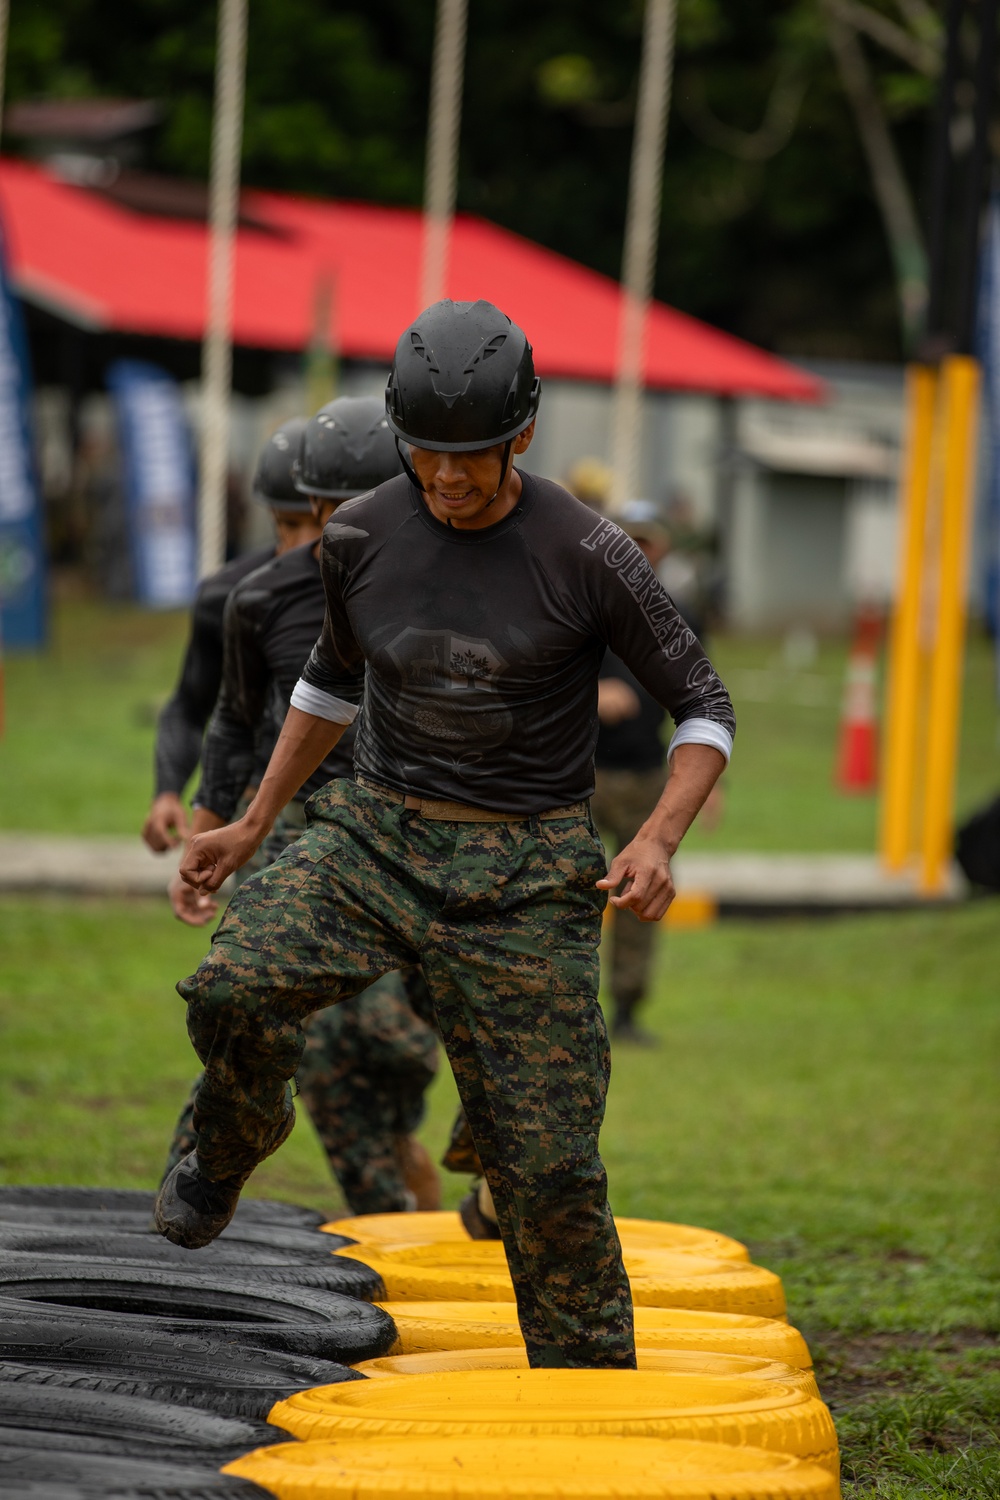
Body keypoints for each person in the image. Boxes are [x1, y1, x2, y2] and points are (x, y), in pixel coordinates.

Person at [156, 299, 734, 1371]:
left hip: (527, 872)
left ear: (521, 432)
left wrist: (656, 837)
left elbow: (704, 705)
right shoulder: (364, 532)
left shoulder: (586, 550)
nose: (450, 478)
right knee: (236, 985)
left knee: (548, 1168)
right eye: (428, 454)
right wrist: (253, 822)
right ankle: (231, 1135)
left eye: (472, 456)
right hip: (374, 835)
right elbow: (331, 680)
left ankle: (588, 1399)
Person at [163, 396, 440, 1214]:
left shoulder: (447, 583)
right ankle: (212, 1160)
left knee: (419, 1034)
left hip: (436, 834)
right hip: (312, 834)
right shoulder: (259, 599)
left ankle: (421, 1146)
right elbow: (232, 720)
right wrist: (211, 831)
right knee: (260, 1007)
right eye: (327, 514)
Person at [142, 418, 313, 854]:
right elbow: (189, 707)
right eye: (289, 524)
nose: (305, 544)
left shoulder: (381, 597)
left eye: (322, 523)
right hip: (262, 816)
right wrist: (167, 793)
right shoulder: (230, 597)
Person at [591, 500, 672, 1048]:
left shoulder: (676, 610)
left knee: (639, 898)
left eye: (647, 541)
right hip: (584, 774)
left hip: (647, 775)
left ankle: (626, 1009)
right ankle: (567, 1004)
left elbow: (703, 698)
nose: (638, 552)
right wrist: (590, 694)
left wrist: (708, 785)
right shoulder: (583, 602)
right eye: (629, 540)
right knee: (568, 894)